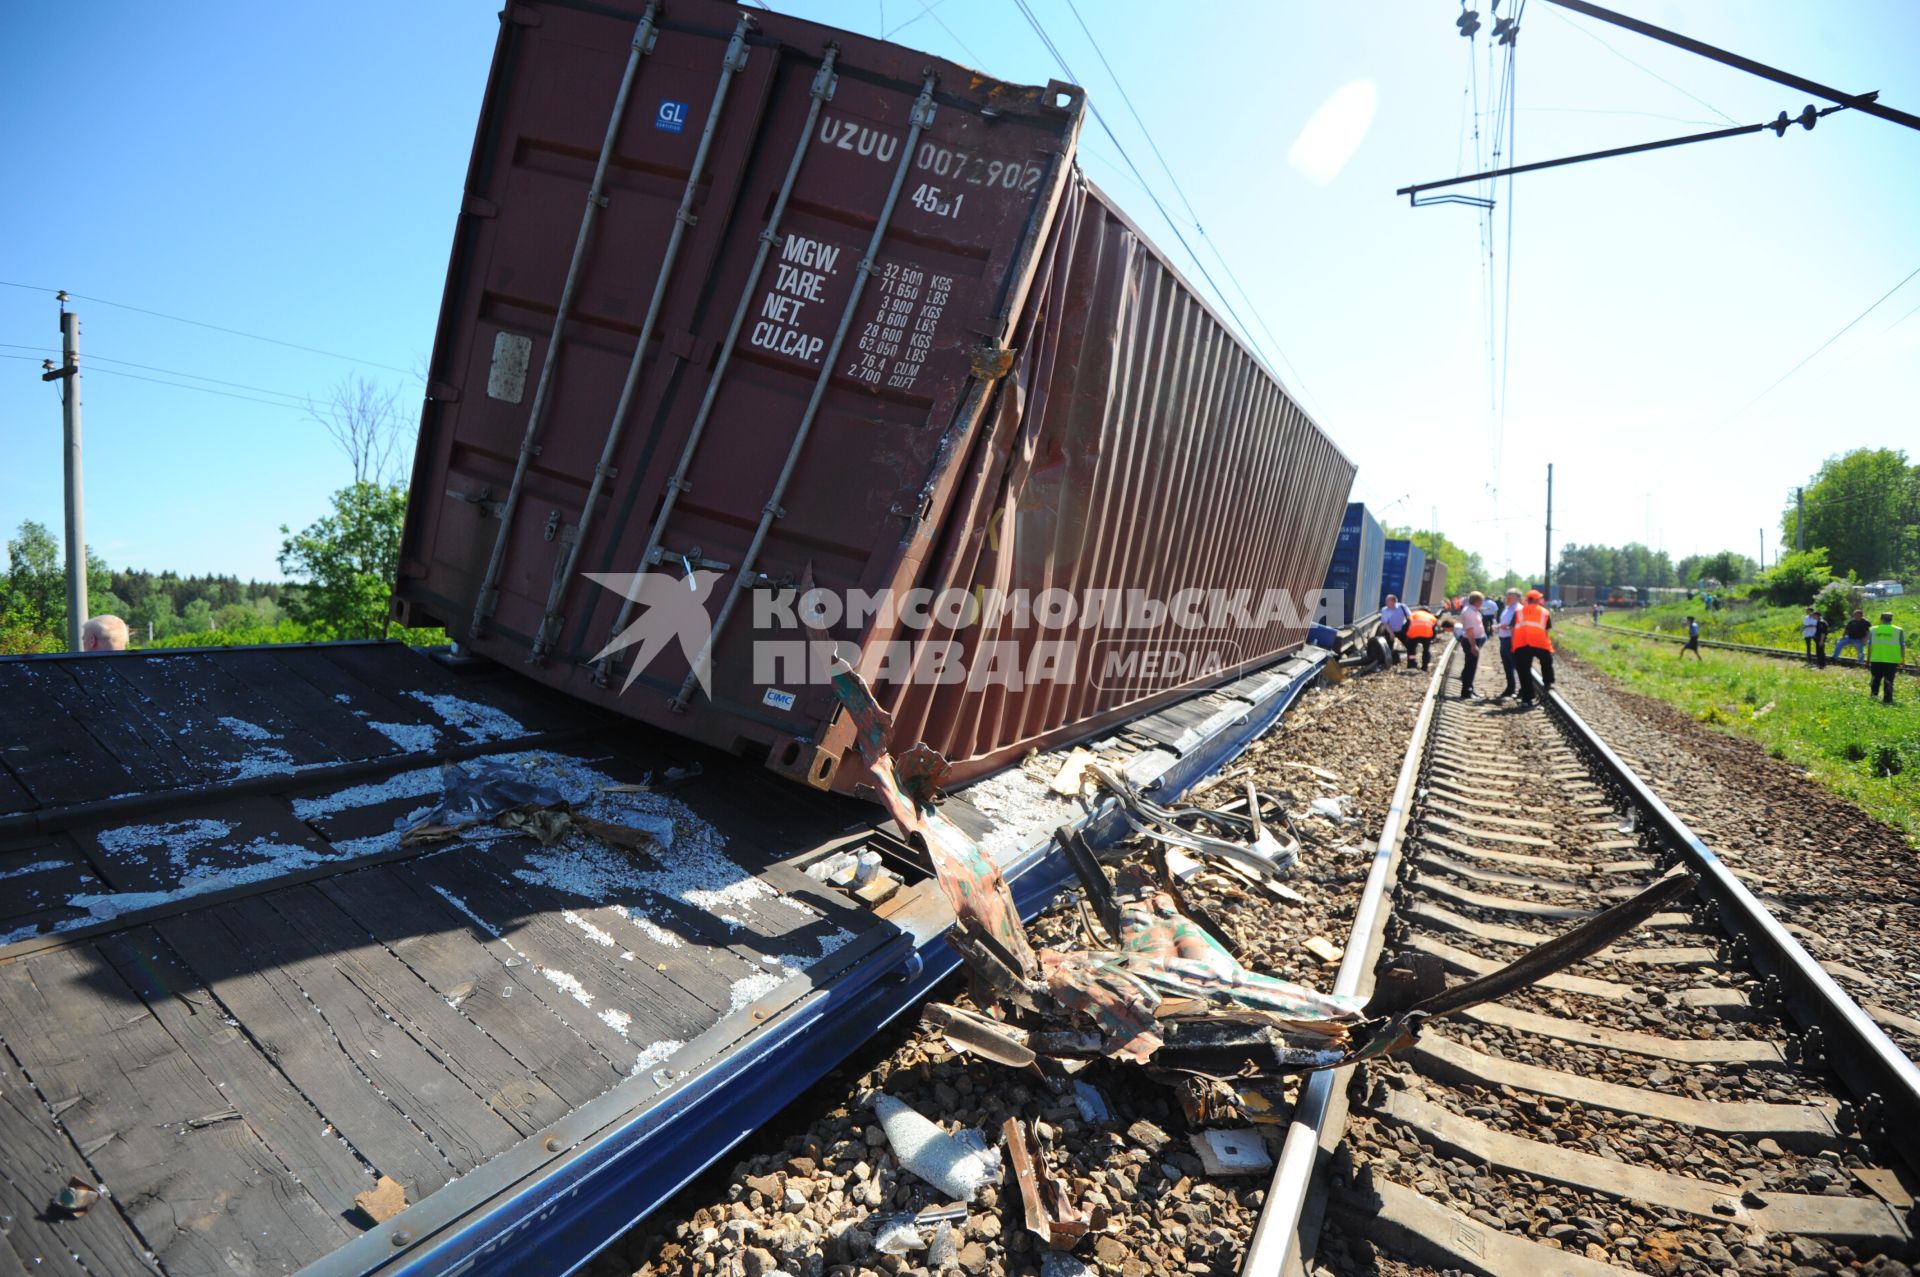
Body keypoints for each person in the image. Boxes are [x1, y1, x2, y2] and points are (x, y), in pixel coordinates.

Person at [1511, 589, 1554, 705]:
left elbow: (1512, 628)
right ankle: (1548, 682)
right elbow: (1547, 629)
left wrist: (1513, 645)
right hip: (1540, 643)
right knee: (1546, 661)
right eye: (1540, 598)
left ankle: (1527, 699)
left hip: (1522, 644)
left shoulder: (1518, 612)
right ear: (1536, 599)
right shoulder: (1544, 612)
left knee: (1524, 672)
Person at [1867, 611, 1905, 705]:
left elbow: (1869, 645)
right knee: (1889, 680)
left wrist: (1868, 659)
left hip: (1876, 658)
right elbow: (1902, 645)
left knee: (1875, 679)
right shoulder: (1898, 630)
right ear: (1891, 619)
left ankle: (1873, 696)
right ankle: (1887, 700)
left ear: (1881, 619)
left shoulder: (1873, 629)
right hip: (1891, 660)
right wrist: (1902, 660)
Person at [1493, 587, 1523, 700]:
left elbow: (1517, 625)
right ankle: (1510, 688)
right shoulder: (1507, 608)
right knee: (1507, 666)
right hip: (1504, 639)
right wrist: (1500, 626)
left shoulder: (1519, 609)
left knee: (1517, 666)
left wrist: (1501, 626)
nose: (1508, 597)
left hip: (1513, 640)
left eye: (1511, 596)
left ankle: (1522, 690)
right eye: (1507, 595)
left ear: (1518, 598)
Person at [1455, 590, 1485, 698]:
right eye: (1481, 601)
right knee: (1470, 667)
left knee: (1471, 666)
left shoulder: (1473, 610)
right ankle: (1466, 691)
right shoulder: (1469, 612)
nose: (1482, 603)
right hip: (1471, 641)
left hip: (1474, 640)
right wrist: (1473, 645)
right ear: (1477, 601)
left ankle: (1470, 688)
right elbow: (1470, 630)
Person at [1402, 604, 1438, 670]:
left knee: (1411, 649)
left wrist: (1407, 636)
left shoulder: (1414, 614)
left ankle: (1411, 664)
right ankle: (1425, 666)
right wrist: (1431, 639)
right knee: (1426, 650)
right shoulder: (1432, 617)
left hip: (1413, 633)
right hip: (1426, 634)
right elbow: (1434, 630)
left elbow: (1405, 627)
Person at [1380, 594, 1411, 668]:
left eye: (1388, 601)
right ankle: (1389, 663)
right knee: (1388, 648)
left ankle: (1411, 663)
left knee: (1409, 646)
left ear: (1394, 602)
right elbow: (1385, 623)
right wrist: (1391, 633)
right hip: (1390, 630)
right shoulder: (1385, 610)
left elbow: (1410, 617)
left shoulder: (1402, 607)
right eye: (1386, 601)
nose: (1386, 603)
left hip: (1401, 630)